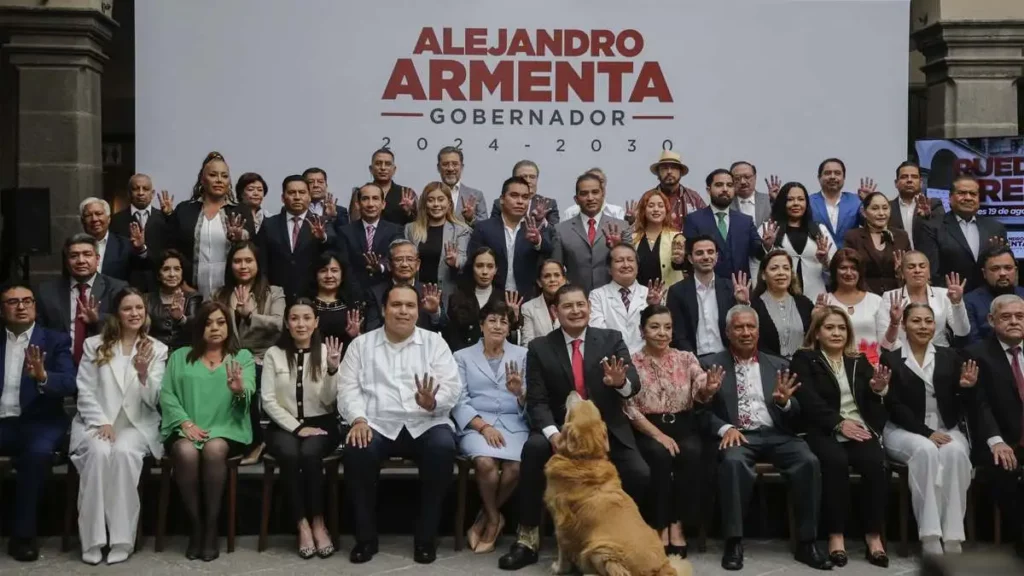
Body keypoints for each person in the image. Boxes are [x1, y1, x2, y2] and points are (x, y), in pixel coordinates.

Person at [498, 284, 649, 571]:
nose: (576, 311)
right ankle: (527, 538)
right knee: (533, 450)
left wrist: (619, 383)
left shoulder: (611, 340)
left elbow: (633, 386)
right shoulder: (540, 347)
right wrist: (555, 435)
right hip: (561, 429)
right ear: (556, 311)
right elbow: (538, 402)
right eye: (568, 306)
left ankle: (615, 537)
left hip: (604, 431)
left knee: (639, 473)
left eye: (580, 305)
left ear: (589, 308)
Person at [338, 284, 462, 565]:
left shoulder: (435, 343)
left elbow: (453, 388)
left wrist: (433, 401)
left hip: (426, 421)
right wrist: (357, 418)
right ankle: (366, 539)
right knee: (358, 448)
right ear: (383, 310)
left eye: (410, 306)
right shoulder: (361, 344)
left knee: (443, 447)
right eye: (396, 305)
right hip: (377, 423)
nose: (403, 311)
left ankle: (426, 539)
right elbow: (347, 389)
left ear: (418, 311)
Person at [701, 304, 830, 571]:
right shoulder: (710, 364)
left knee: (808, 461)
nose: (745, 332)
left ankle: (807, 543)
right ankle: (734, 541)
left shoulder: (779, 365)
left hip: (777, 434)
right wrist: (725, 428)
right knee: (734, 464)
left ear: (758, 332)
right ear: (727, 332)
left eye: (750, 327)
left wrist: (785, 404)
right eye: (739, 327)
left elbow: (798, 416)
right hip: (739, 435)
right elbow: (699, 412)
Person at [71, 287, 168, 565]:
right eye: (128, 308)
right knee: (99, 454)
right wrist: (102, 421)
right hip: (97, 422)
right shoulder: (94, 344)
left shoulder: (157, 349)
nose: (135, 313)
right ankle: (92, 540)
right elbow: (85, 390)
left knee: (125, 455)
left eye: (139, 308)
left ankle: (122, 539)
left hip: (137, 424)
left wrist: (142, 373)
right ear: (117, 313)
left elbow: (154, 401)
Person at [789, 306, 891, 567]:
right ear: (818, 332)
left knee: (875, 463)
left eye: (842, 328)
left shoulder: (858, 360)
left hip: (857, 428)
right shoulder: (805, 358)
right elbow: (808, 399)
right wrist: (837, 423)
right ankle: (836, 536)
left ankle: (873, 536)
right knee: (834, 463)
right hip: (822, 429)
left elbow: (873, 404)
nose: (837, 332)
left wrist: (878, 391)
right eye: (830, 327)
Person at [160, 301, 256, 561]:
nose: (215, 328)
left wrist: (238, 389)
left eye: (221, 322)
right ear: (198, 326)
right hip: (187, 428)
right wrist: (184, 423)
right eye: (208, 322)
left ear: (229, 326)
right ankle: (196, 525)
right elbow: (166, 394)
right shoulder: (180, 356)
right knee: (185, 451)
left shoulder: (242, 357)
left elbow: (248, 392)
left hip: (227, 428)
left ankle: (212, 526)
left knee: (214, 449)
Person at [881, 303, 975, 556]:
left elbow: (961, 404)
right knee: (925, 451)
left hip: (946, 427)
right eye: (916, 321)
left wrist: (965, 388)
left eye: (928, 321)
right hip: (904, 430)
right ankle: (930, 537)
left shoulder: (950, 356)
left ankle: (954, 537)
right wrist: (926, 433)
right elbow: (893, 405)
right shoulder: (891, 358)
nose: (923, 326)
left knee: (955, 453)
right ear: (904, 325)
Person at [625, 304, 712, 558]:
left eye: (667, 327)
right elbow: (629, 408)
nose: (662, 333)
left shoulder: (686, 358)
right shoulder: (632, 362)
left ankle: (678, 525)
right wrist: (658, 435)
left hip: (684, 425)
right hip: (649, 428)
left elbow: (701, 388)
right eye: (654, 327)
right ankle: (658, 526)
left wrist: (710, 387)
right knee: (659, 456)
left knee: (692, 453)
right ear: (642, 331)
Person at [261, 299, 344, 559]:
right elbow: (268, 400)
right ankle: (302, 524)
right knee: (289, 454)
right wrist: (297, 428)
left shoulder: (325, 351)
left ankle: (319, 522)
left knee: (310, 455)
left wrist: (332, 370)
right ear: (286, 322)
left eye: (307, 318)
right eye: (295, 318)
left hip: (322, 423)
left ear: (316, 322)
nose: (301, 324)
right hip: (283, 425)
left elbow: (330, 402)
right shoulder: (274, 354)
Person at [0, 283, 77, 562]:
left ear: (35, 306)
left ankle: (23, 536)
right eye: (12, 302)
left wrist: (44, 377)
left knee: (37, 454)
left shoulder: (55, 340)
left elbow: (69, 382)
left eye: (27, 301)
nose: (20, 306)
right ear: (2, 309)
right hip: (2, 421)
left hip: (40, 421)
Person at [452, 300, 528, 554]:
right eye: (492, 320)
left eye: (504, 321)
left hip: (514, 421)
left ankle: (485, 516)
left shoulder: (523, 355)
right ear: (481, 325)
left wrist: (520, 393)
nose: (498, 325)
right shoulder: (461, 356)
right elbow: (458, 401)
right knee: (485, 463)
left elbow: (532, 399)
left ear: (510, 328)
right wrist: (483, 427)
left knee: (514, 467)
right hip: (476, 423)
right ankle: (496, 519)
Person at [212, 241, 286, 464]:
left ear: (257, 264)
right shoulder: (220, 294)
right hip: (227, 357)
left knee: (247, 374)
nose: (243, 266)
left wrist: (250, 316)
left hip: (263, 357)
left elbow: (280, 324)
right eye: (237, 261)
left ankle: (255, 442)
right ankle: (223, 438)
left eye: (248, 260)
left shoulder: (273, 292)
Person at [966, 294, 1024, 559]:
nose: (1014, 322)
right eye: (1006, 317)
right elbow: (979, 405)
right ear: (991, 320)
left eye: (1019, 316)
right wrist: (996, 440)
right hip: (1002, 440)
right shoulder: (976, 355)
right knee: (1005, 469)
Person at [163, 151, 255, 299]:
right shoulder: (184, 210)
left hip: (232, 293)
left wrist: (240, 238)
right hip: (190, 293)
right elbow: (171, 249)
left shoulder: (241, 210)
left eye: (224, 176)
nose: (219, 180)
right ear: (202, 179)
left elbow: (253, 247)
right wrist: (181, 283)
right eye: (213, 175)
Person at [36, 234, 128, 365]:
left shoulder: (117, 288)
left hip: (103, 363)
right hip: (59, 366)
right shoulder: (46, 291)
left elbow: (126, 324)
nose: (81, 260)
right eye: (74, 256)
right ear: (67, 262)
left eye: (87, 254)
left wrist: (98, 319)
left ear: (97, 259)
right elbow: (39, 331)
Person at [468, 176, 555, 301]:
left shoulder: (535, 227)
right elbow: (472, 264)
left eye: (525, 197)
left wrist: (538, 242)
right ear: (502, 199)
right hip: (490, 299)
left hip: (528, 299)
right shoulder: (484, 228)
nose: (520, 201)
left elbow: (549, 253)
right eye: (514, 196)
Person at [918, 174, 1008, 293]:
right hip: (949, 297)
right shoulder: (933, 227)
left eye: (973, 194)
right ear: (950, 198)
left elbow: (1006, 267)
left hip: (989, 297)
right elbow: (931, 271)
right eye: (962, 193)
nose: (968, 198)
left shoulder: (995, 228)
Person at [666, 235, 749, 355]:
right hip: (693, 360)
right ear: (690, 258)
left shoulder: (731, 288)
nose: (706, 257)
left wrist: (743, 303)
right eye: (699, 253)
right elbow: (677, 334)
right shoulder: (677, 291)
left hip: (729, 358)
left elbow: (744, 327)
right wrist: (692, 361)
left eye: (710, 252)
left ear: (716, 256)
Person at [256, 175, 334, 303]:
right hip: (276, 297)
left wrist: (322, 238)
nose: (297, 197)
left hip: (313, 297)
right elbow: (262, 262)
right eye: (292, 192)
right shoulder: (269, 225)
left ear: (309, 197)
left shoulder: (322, 222)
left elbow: (333, 244)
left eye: (302, 192)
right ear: (283, 197)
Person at [551, 172, 631, 293]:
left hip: (614, 299)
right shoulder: (561, 230)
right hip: (576, 301)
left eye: (595, 192)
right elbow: (555, 271)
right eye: (584, 193)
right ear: (576, 199)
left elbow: (633, 264)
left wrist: (618, 248)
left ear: (603, 195)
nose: (590, 198)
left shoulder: (621, 227)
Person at [684, 169, 770, 278]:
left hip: (741, 289)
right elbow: (689, 258)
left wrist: (767, 245)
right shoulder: (693, 220)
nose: (725, 189)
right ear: (708, 190)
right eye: (719, 185)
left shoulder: (745, 221)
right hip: (707, 289)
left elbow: (758, 253)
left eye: (729, 185)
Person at [875, 251, 970, 351]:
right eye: (911, 267)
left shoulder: (944, 295)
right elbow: (884, 341)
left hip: (939, 355)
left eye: (922, 266)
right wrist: (911, 356)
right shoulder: (890, 296)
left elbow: (962, 331)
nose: (917, 270)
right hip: (902, 357)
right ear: (902, 273)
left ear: (929, 272)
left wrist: (957, 304)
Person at [760, 182, 835, 301]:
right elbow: (759, 266)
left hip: (817, 298)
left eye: (801, 199)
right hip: (778, 298)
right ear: (782, 202)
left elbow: (835, 269)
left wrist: (825, 260)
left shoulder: (820, 230)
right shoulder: (768, 228)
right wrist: (767, 248)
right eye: (790, 199)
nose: (796, 203)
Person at [589, 243, 663, 354]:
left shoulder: (651, 294)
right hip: (612, 358)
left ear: (637, 267)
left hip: (647, 358)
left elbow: (661, 330)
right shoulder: (597, 296)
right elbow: (599, 332)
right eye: (619, 261)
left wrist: (653, 307)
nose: (626, 265)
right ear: (609, 269)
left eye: (630, 260)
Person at [444, 247, 522, 352]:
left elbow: (512, 337)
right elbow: (452, 336)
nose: (485, 272)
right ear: (472, 268)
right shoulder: (457, 298)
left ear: (496, 269)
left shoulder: (506, 298)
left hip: (498, 355)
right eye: (479, 266)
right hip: (465, 357)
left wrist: (514, 318)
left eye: (490, 266)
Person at [403, 181, 471, 297]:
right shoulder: (410, 229)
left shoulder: (461, 230)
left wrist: (456, 262)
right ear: (424, 203)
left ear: (449, 203)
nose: (436, 204)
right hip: (415, 293)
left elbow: (466, 261)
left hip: (447, 295)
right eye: (430, 200)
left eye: (440, 199)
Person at [819, 248, 884, 364]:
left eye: (854, 268)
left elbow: (886, 341)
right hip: (835, 367)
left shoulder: (876, 301)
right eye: (843, 268)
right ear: (834, 271)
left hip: (872, 368)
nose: (849, 273)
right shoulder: (824, 301)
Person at [366, 239, 447, 333]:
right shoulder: (375, 293)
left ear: (418, 265)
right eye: (399, 259)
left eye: (410, 259)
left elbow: (445, 329)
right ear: (389, 265)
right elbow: (372, 330)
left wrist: (434, 312)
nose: (404, 264)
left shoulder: (430, 292)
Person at [333, 183, 404, 290]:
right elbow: (345, 266)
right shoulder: (345, 232)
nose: (370, 204)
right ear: (357, 204)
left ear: (383, 204)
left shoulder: (396, 230)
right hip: (354, 292)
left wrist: (380, 267)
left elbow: (396, 257)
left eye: (375, 198)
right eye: (365, 199)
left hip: (387, 291)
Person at [110, 173, 173, 291]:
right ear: (129, 193)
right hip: (127, 286)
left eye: (145, 189)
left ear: (152, 193)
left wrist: (170, 215)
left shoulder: (165, 218)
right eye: (135, 189)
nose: (140, 193)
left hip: (159, 286)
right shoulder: (116, 220)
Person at [843, 191, 911, 294]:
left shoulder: (902, 236)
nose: (881, 213)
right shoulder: (853, 237)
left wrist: (901, 273)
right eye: (875, 208)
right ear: (864, 212)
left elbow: (910, 269)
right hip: (863, 296)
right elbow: (850, 270)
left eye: (885, 208)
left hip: (896, 295)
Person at [750, 250, 814, 359]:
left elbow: (813, 339)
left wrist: (819, 317)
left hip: (803, 368)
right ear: (764, 275)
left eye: (786, 268)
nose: (781, 272)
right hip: (769, 367)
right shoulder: (755, 306)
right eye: (774, 268)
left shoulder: (804, 303)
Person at [310, 251, 371, 353]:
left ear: (342, 275)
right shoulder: (306, 304)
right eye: (323, 270)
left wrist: (356, 335)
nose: (329, 275)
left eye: (334, 270)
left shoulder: (353, 305)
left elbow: (365, 344)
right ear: (315, 275)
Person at [145, 249, 202, 351]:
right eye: (166, 269)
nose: (172, 274)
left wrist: (181, 318)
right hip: (154, 354)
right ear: (158, 275)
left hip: (184, 355)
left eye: (177, 269)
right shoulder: (146, 299)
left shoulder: (193, 298)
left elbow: (197, 328)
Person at [965, 246, 1024, 343]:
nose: (1002, 273)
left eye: (1008, 268)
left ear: (1016, 271)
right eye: (995, 269)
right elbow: (973, 343)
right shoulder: (970, 301)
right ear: (984, 273)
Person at [632, 189, 685, 289]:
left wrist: (680, 260)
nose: (656, 209)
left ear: (666, 210)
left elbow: (684, 266)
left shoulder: (677, 237)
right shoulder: (633, 239)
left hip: (670, 298)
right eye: (651, 206)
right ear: (643, 210)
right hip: (639, 299)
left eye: (661, 206)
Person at [79, 196, 139, 284]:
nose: (94, 219)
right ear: (82, 221)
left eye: (99, 214)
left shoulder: (125, 245)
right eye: (88, 215)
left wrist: (140, 249)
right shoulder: (73, 247)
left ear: (109, 219)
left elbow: (142, 270)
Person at [643, 150, 707, 231]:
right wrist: (631, 220)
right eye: (665, 168)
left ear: (681, 172)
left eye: (673, 168)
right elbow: (639, 227)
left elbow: (707, 224)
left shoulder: (693, 198)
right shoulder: (648, 197)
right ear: (658, 173)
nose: (669, 172)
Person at [887, 161, 944, 250]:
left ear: (920, 182)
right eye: (904, 177)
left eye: (914, 177)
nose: (909, 180)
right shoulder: (887, 207)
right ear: (896, 183)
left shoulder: (934, 204)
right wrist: (867, 202)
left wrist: (927, 217)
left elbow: (942, 235)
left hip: (926, 261)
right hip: (897, 261)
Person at [808, 157, 862, 249]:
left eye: (837, 173)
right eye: (827, 173)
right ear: (819, 177)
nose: (832, 177)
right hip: (817, 257)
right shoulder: (809, 202)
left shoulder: (856, 201)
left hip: (848, 258)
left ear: (844, 178)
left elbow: (870, 226)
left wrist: (869, 201)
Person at [488, 160, 560, 227]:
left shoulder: (549, 204)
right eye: (524, 176)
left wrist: (540, 221)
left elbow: (555, 234)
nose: (528, 180)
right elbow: (492, 230)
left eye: (532, 177)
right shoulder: (500, 203)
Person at [365, 148, 418, 226]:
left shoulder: (407, 193)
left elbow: (419, 225)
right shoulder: (361, 193)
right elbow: (354, 223)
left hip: (398, 237)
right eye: (378, 163)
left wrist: (409, 212)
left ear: (394, 169)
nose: (383, 168)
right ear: (371, 169)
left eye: (387, 164)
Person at [436, 146, 487, 226]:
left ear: (462, 167)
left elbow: (485, 228)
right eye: (445, 164)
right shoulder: (429, 196)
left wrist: (470, 219)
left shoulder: (476, 195)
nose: (450, 168)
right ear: (438, 168)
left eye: (455, 164)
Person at [519, 260, 565, 347]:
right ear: (539, 282)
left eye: (557, 275)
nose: (552, 279)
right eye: (547, 276)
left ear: (564, 280)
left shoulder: (573, 305)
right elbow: (527, 344)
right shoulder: (528, 308)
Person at [562, 167, 627, 221]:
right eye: (591, 178)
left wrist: (630, 222)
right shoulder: (570, 212)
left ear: (603, 192)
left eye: (601, 181)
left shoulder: (617, 211)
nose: (590, 198)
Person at [729, 161, 773, 228]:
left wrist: (777, 200)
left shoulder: (769, 200)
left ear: (755, 177)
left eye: (747, 177)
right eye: (737, 178)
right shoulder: (726, 203)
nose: (743, 182)